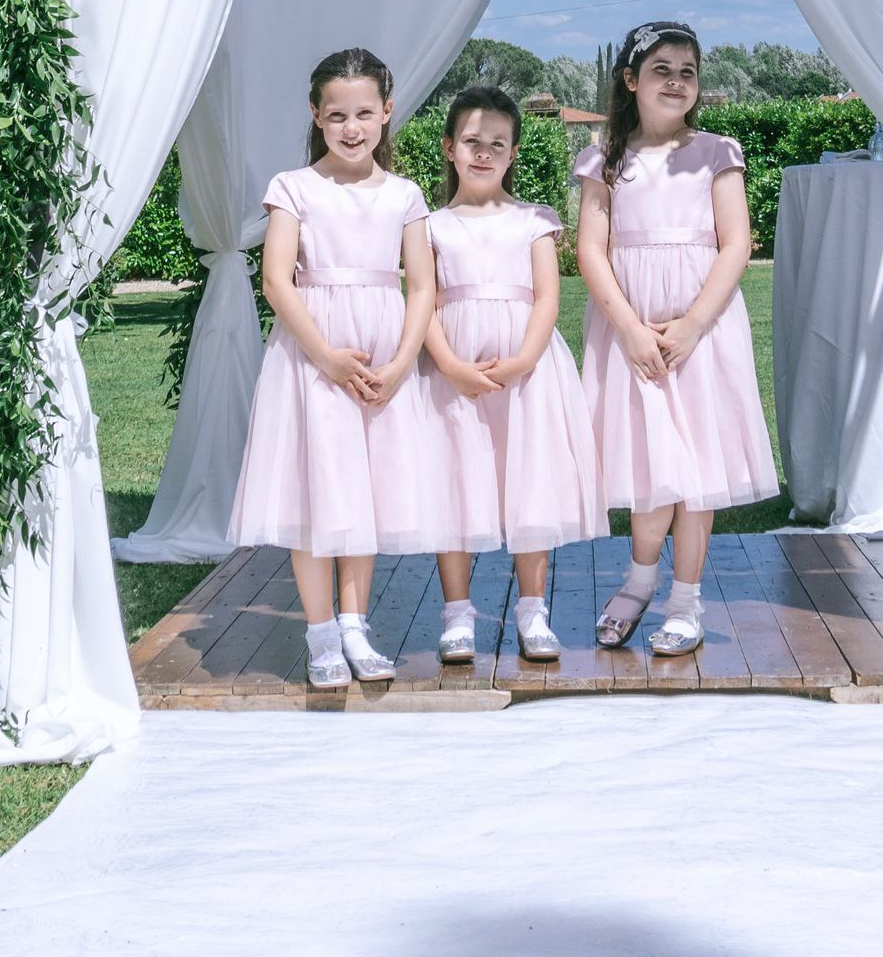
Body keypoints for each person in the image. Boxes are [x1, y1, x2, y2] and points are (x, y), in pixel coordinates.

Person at [229, 45, 439, 690]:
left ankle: (354, 625)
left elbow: (422, 286)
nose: (352, 128)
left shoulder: (404, 194)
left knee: (364, 489)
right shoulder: (294, 188)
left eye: (364, 113)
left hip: (381, 363)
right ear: (316, 115)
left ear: (387, 112)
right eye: (338, 115)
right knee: (316, 486)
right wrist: (325, 356)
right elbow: (276, 280)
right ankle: (320, 634)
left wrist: (401, 363)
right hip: (312, 360)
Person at [574, 21, 776, 655]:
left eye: (688, 71)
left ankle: (686, 600)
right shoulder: (606, 160)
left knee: (696, 467)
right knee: (648, 461)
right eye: (662, 70)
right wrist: (631, 330)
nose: (677, 82)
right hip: (630, 335)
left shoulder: (717, 153)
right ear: (631, 80)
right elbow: (590, 251)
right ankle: (639, 581)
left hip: (701, 333)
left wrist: (691, 325)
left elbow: (736, 244)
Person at [423, 85, 606, 667]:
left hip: (527, 372)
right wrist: (450, 365)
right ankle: (457, 613)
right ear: (449, 148)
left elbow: (547, 296)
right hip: (454, 370)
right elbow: (422, 301)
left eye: (497, 144)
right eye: (472, 142)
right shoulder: (429, 226)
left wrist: (525, 358)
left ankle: (532, 610)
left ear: (513, 153)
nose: (484, 153)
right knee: (455, 479)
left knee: (530, 480)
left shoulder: (534, 221)